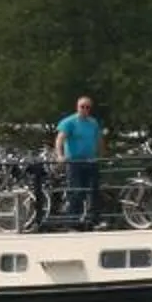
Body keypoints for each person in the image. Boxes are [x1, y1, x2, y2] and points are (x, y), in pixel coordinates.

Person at [54, 94, 102, 228]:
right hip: (74, 162)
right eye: (82, 107)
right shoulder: (68, 122)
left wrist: (101, 154)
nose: (85, 109)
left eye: (87, 107)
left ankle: (93, 221)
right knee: (76, 192)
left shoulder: (93, 123)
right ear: (77, 107)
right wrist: (60, 155)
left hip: (91, 161)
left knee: (93, 191)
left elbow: (98, 139)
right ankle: (73, 222)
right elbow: (60, 139)